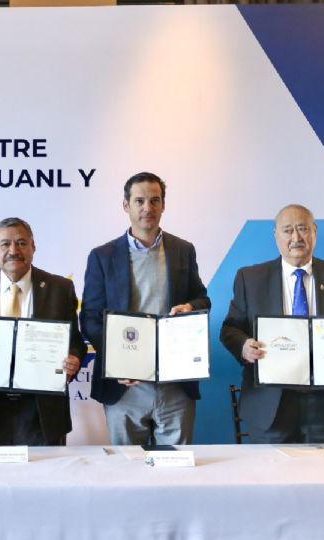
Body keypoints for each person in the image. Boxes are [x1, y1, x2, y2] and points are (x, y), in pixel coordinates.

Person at [220, 204, 324, 443]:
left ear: (314, 232)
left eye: (302, 228)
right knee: (272, 477)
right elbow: (230, 329)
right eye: (287, 230)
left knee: (322, 476)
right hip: (271, 401)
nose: (296, 237)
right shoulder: (250, 278)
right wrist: (243, 346)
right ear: (276, 235)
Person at [81, 172, 210, 446]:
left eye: (154, 200)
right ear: (125, 205)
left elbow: (202, 299)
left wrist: (191, 306)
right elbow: (90, 319)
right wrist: (118, 362)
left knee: (175, 468)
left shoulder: (183, 250)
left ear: (164, 205)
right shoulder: (102, 256)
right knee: (126, 470)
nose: (147, 208)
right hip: (124, 385)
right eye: (139, 200)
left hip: (175, 382)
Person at [0, 217, 85, 446]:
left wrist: (74, 358)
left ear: (34, 247)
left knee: (45, 480)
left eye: (21, 243)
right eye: (5, 244)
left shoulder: (60, 289)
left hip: (42, 411)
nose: (13, 250)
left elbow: (75, 341)